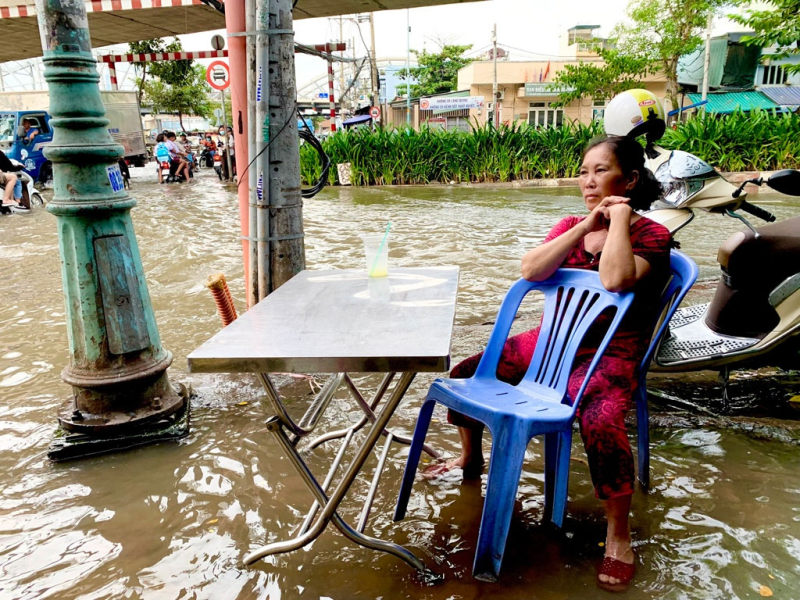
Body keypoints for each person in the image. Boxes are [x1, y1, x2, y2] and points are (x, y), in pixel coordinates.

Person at [424, 135, 671, 593]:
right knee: (466, 372)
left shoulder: (653, 235)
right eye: (583, 171)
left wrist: (618, 219)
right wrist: (583, 228)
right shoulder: (569, 224)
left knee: (600, 419)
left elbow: (616, 279)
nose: (588, 181)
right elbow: (531, 270)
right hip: (551, 341)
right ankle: (469, 456)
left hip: (610, 351)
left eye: (600, 170)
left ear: (630, 179)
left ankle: (618, 535)